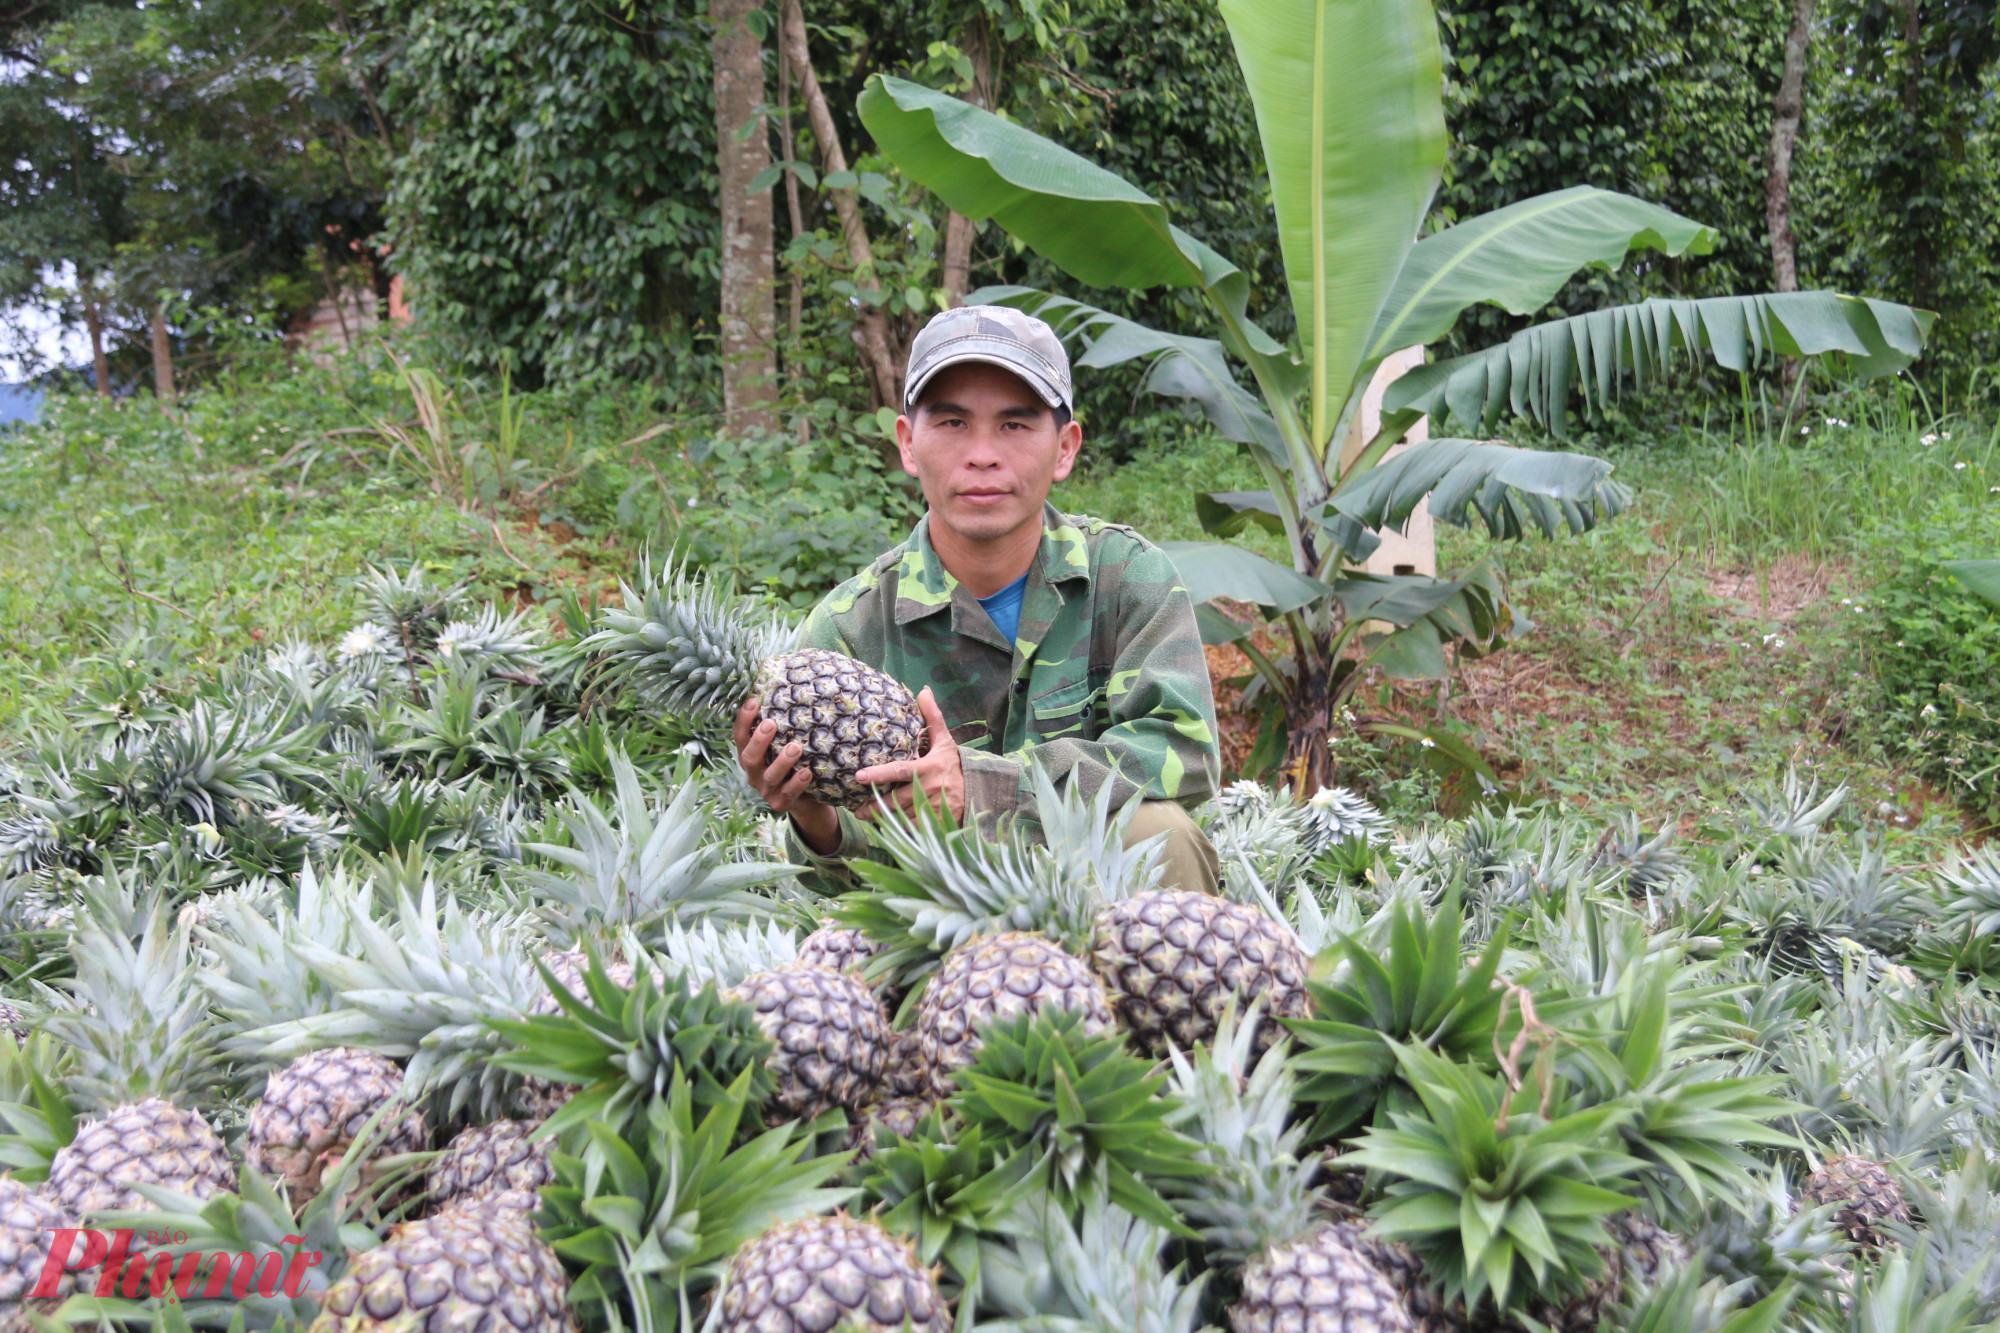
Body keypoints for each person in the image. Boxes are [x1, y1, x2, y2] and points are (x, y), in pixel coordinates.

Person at [732, 305, 1222, 892]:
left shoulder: (1126, 578)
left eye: (1014, 425)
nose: (983, 454)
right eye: (953, 424)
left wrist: (988, 787)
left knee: (1158, 832)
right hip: (937, 914)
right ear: (909, 445)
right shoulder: (851, 629)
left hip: (1102, 897)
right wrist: (814, 816)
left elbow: (1185, 751)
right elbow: (855, 877)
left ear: (1064, 448)